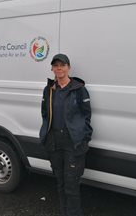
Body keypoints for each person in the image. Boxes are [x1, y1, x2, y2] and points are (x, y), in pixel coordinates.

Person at [39, 53, 93, 216]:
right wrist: (45, 136)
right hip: (54, 143)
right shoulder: (49, 90)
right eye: (56, 65)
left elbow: (87, 116)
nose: (59, 68)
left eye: (62, 65)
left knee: (71, 186)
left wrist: (84, 139)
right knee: (60, 183)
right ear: (52, 69)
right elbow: (45, 114)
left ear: (68, 68)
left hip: (72, 144)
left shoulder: (79, 90)